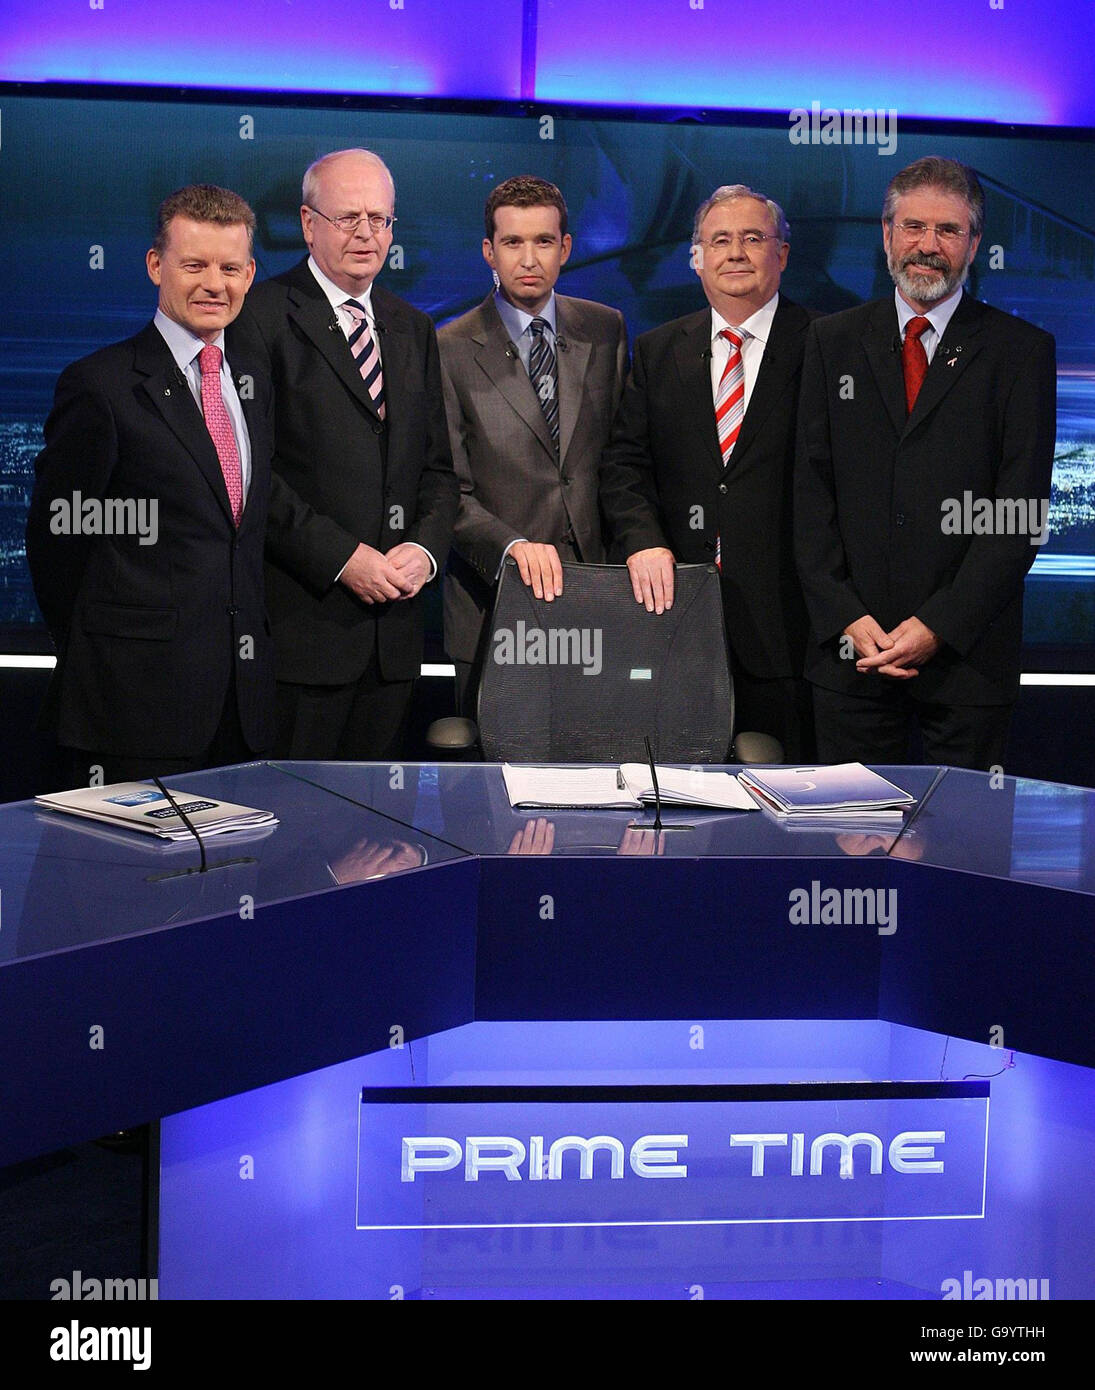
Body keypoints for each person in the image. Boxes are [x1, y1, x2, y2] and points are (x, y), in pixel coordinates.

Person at [795, 156, 1055, 770]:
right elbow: (809, 497)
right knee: (848, 852)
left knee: (962, 855)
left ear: (974, 244)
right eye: (913, 227)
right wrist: (847, 617)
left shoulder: (1021, 353)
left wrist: (938, 625)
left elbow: (1016, 518)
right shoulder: (830, 341)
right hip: (850, 654)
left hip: (967, 663)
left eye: (948, 231)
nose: (927, 247)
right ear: (887, 235)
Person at [26, 184, 275, 787]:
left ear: (250, 274)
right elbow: (58, 541)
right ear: (155, 266)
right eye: (195, 265)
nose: (215, 283)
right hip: (132, 709)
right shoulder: (100, 386)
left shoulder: (253, 380)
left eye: (231, 267)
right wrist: (107, 651)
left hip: (244, 709)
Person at [229, 148, 458, 759]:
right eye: (348, 218)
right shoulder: (258, 317)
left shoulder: (412, 327)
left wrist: (424, 552)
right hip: (303, 633)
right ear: (308, 224)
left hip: (395, 646)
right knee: (297, 839)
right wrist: (342, 558)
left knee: (382, 841)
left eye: (380, 220)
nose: (367, 234)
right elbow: (249, 471)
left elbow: (437, 470)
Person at [599, 184, 814, 759]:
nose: (736, 252)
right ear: (697, 258)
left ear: (783, 254)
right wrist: (643, 541)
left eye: (752, 238)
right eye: (719, 240)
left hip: (791, 632)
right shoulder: (657, 349)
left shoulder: (824, 346)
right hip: (676, 624)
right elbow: (624, 466)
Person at [438, 175, 628, 715]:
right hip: (492, 608)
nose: (529, 258)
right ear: (488, 252)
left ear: (565, 248)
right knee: (492, 786)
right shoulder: (448, 348)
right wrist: (511, 548)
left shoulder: (606, 328)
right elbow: (447, 489)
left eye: (543, 241)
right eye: (513, 243)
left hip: (597, 602)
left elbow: (621, 463)